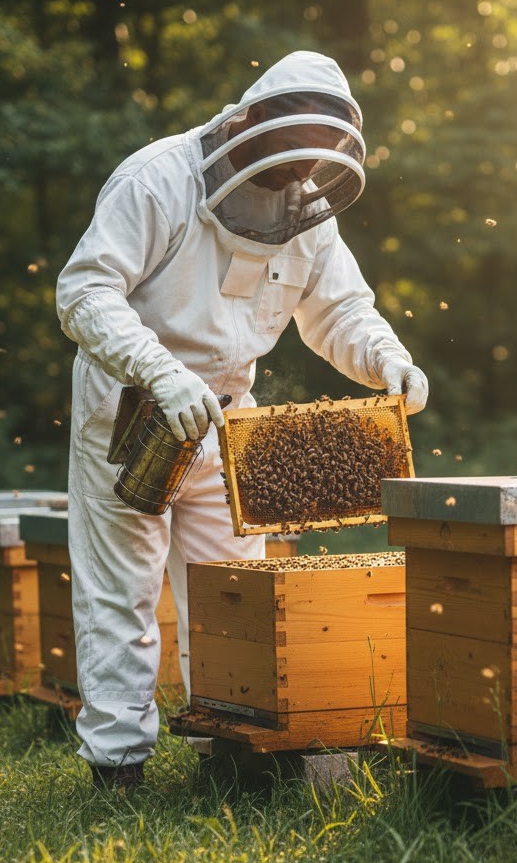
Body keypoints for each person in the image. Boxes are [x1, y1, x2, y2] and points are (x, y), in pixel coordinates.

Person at [55, 50, 429, 789]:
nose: (292, 180)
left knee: (232, 593)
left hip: (228, 425)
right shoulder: (156, 180)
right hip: (133, 412)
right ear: (246, 123)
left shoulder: (305, 208)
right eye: (283, 160)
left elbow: (341, 310)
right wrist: (160, 370)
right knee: (122, 593)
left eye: (306, 167)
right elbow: (85, 291)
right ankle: (117, 767)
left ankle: (229, 749)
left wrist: (387, 358)